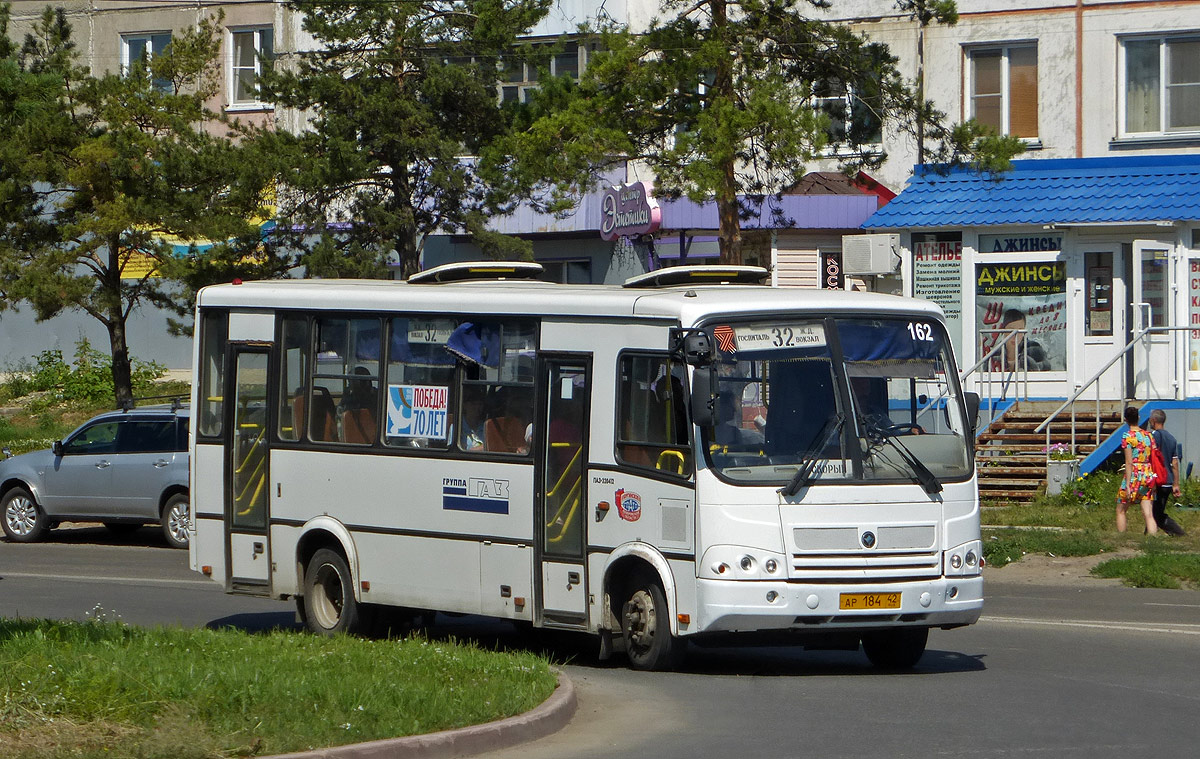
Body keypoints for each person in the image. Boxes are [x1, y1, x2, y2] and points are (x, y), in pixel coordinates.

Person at [1116, 405, 1158, 535]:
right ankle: (1153, 539)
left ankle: (1122, 538)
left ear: (1126, 419)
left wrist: (1128, 484)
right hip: (1147, 472)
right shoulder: (1148, 436)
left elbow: (1129, 461)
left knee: (1121, 509)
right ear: (1138, 418)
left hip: (1134, 473)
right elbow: (1153, 455)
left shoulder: (1127, 436)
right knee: (1148, 513)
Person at [1147, 408, 1187, 536]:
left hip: (1157, 480)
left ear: (1153, 421)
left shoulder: (1153, 437)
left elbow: (1149, 457)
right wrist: (1176, 484)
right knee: (1153, 510)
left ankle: (1179, 533)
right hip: (1168, 481)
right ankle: (1148, 535)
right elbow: (1174, 463)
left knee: (1156, 514)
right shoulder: (1172, 438)